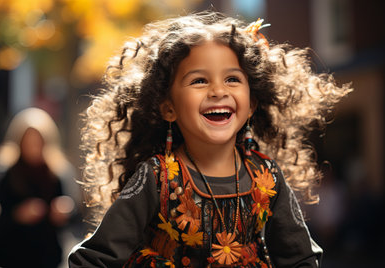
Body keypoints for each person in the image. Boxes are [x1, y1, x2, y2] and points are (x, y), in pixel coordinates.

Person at [68, 11, 352, 267]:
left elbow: (300, 259)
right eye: (199, 81)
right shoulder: (156, 178)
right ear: (168, 108)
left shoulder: (267, 177)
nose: (218, 91)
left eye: (232, 79)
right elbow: (93, 259)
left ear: (252, 103)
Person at [0, 108, 78, 268]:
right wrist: (18, 215)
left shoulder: (57, 173)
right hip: (12, 255)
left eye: (37, 141)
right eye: (29, 141)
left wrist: (64, 211)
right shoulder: (5, 173)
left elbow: (73, 216)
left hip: (47, 257)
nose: (33, 146)